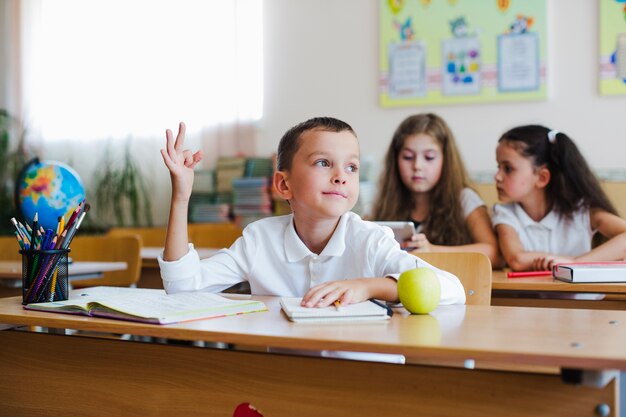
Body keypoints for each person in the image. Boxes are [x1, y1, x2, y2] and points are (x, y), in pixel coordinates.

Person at [158, 117, 465, 308]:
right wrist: (181, 197)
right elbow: (182, 289)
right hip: (286, 384)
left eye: (351, 167)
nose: (341, 176)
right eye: (323, 163)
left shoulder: (370, 239)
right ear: (283, 184)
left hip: (366, 381)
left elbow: (453, 289)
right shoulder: (259, 240)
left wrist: (369, 286)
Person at [371, 113, 502, 267]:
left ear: (446, 160)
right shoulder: (387, 203)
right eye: (407, 157)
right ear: (395, 160)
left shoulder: (464, 199)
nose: (417, 166)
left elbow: (494, 253)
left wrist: (433, 251)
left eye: (429, 157)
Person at [493, 125, 626, 271]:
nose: (497, 176)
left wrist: (575, 262)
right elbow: (517, 259)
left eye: (508, 169)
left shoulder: (582, 212)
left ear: (542, 178)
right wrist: (567, 262)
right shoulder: (505, 214)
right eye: (498, 167)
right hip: (530, 294)